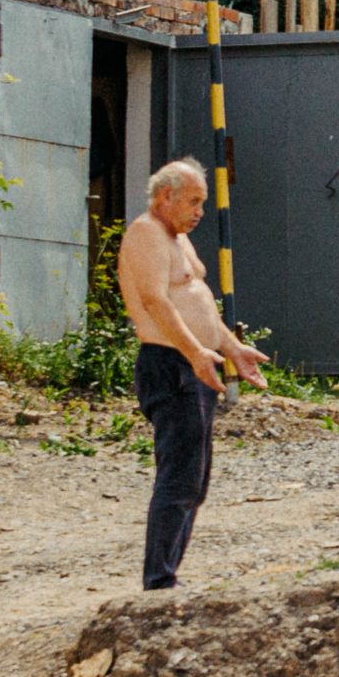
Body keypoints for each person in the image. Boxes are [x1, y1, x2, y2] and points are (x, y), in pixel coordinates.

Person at [115, 158, 270, 591]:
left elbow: (197, 300)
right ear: (166, 196)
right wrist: (194, 351)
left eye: (203, 201)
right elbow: (155, 301)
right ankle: (159, 582)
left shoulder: (178, 239)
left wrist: (230, 347)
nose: (201, 210)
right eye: (194, 201)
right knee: (179, 477)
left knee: (195, 480)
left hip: (194, 363)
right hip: (171, 364)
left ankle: (167, 575)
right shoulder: (147, 231)